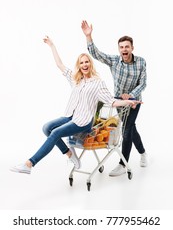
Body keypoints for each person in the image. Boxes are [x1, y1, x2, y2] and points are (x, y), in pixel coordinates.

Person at [10, 36, 140, 175]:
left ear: (90, 64)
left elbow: (112, 101)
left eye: (87, 62)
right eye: (82, 62)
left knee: (55, 133)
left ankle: (29, 164)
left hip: (84, 121)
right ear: (79, 66)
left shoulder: (98, 83)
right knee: (46, 128)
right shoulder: (76, 80)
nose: (84, 65)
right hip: (70, 116)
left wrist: (128, 101)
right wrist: (52, 45)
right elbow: (60, 65)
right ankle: (70, 155)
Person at [81, 20, 147, 177]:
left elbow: (143, 83)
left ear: (132, 48)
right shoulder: (114, 61)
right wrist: (89, 36)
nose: (124, 49)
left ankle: (123, 164)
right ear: (119, 49)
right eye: (121, 47)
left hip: (135, 101)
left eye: (127, 46)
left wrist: (130, 95)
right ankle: (143, 152)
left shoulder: (141, 62)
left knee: (126, 129)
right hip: (118, 100)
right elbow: (96, 54)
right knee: (131, 128)